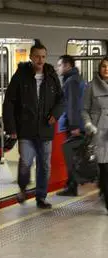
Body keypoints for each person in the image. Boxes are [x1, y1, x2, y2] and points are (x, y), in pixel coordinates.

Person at [2, 39, 64, 209]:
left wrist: (56, 114)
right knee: (25, 162)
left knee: (44, 165)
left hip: (45, 130)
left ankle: (41, 197)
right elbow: (9, 102)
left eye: (43, 57)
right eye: (37, 56)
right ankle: (22, 189)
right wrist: (11, 129)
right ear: (31, 57)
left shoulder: (51, 76)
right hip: (26, 129)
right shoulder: (20, 76)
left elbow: (61, 99)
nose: (40, 60)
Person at [56, 55, 85, 197]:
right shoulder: (76, 79)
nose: (58, 68)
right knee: (75, 156)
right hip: (76, 123)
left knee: (71, 157)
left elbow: (73, 105)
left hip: (72, 125)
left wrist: (73, 125)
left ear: (68, 66)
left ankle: (72, 187)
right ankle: (72, 184)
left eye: (60, 65)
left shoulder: (71, 82)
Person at [81, 56, 108, 209]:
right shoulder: (91, 87)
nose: (106, 69)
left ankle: (104, 191)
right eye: (104, 66)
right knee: (104, 168)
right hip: (98, 132)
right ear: (99, 68)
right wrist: (88, 124)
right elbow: (84, 110)